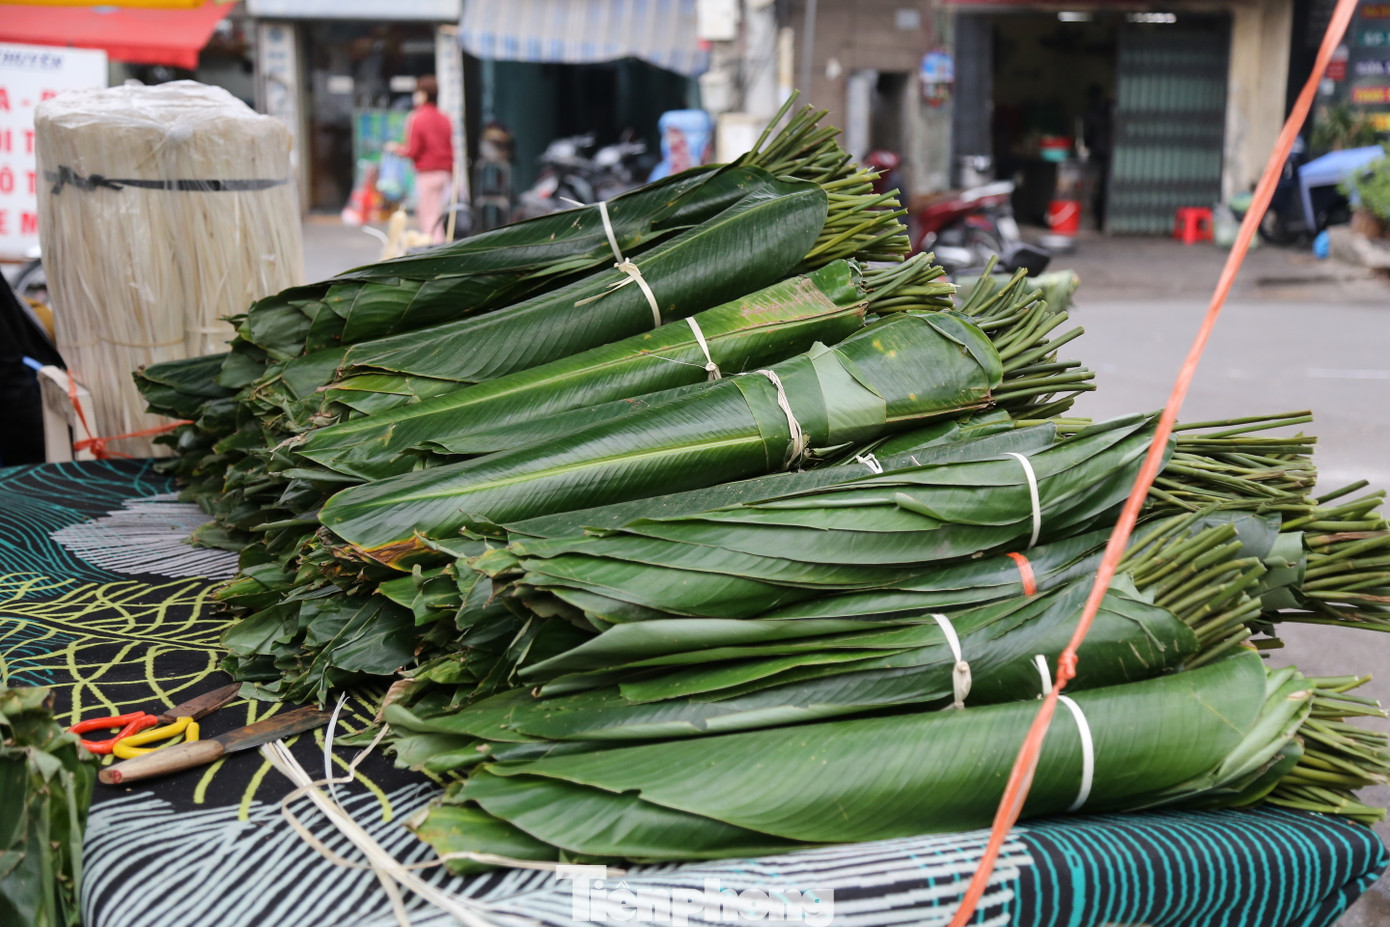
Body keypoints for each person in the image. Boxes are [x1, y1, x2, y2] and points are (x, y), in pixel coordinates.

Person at [388, 75, 453, 243]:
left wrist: (395, 148)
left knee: (428, 215)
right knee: (437, 213)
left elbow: (412, 150)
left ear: (423, 94)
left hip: (427, 173)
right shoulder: (445, 118)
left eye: (417, 92)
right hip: (445, 173)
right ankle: (438, 246)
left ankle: (435, 250)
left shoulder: (417, 118)